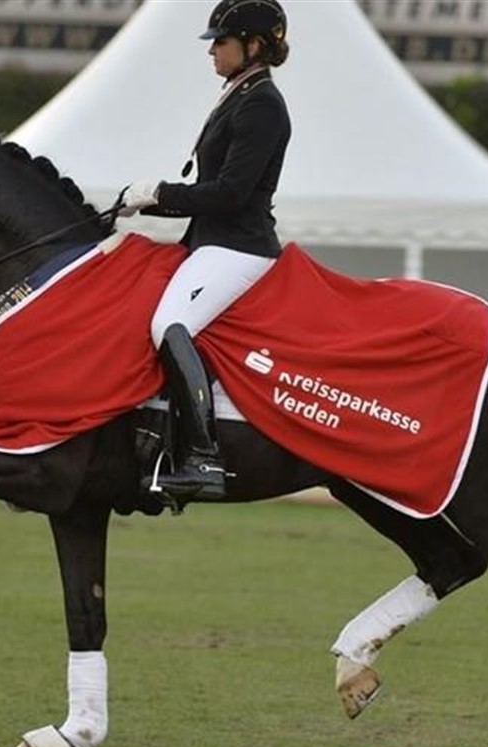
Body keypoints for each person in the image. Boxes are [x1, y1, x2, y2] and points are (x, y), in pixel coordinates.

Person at [119, 0, 291, 501]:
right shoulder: (239, 94)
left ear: (254, 45)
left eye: (221, 41)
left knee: (170, 324)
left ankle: (202, 457)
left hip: (239, 247)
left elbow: (231, 193)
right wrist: (148, 205)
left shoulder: (262, 104)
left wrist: (162, 193)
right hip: (212, 240)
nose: (212, 50)